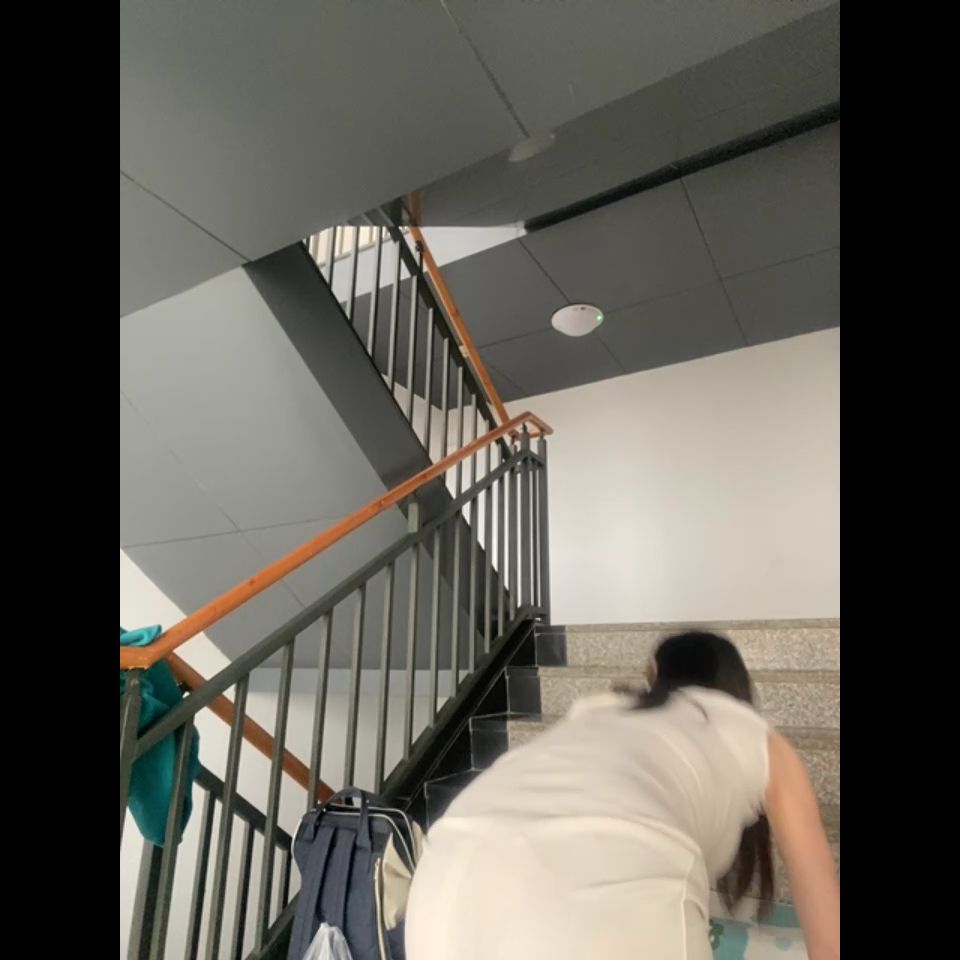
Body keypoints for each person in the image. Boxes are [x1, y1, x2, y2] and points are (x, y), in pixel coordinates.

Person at [404, 631, 840, 960]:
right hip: (605, 892)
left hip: (442, 882)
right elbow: (828, 929)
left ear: (652, 673)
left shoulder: (597, 710)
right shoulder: (762, 742)